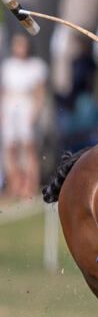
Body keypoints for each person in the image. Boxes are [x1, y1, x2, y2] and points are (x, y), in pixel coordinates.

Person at [1, 33, 48, 199]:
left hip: (26, 104)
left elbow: (40, 93)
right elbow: (4, 91)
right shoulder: (8, 66)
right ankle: (15, 186)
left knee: (29, 147)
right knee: (10, 148)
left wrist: (35, 112)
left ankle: (30, 186)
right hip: (10, 106)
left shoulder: (36, 66)